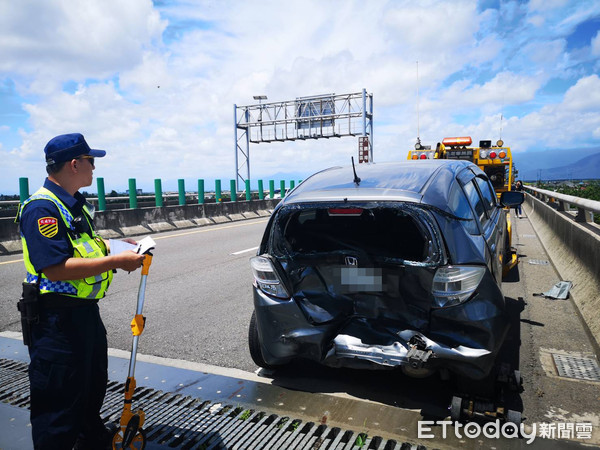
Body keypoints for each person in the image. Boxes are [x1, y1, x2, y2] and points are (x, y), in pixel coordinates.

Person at [16, 133, 146, 450]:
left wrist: (117, 247)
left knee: (89, 390)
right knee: (58, 405)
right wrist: (114, 261)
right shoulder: (42, 209)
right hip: (55, 320)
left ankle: (90, 438)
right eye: (91, 161)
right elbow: (56, 267)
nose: (94, 169)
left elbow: (85, 248)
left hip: (83, 314)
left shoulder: (73, 205)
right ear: (74, 164)